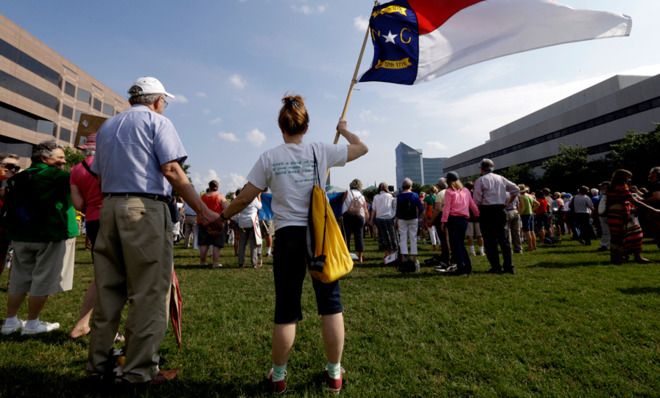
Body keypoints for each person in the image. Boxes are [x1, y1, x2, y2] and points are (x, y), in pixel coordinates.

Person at [218, 95, 367, 394]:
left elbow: (246, 197)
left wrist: (221, 215)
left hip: (287, 236)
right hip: (319, 236)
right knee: (330, 305)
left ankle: (278, 376)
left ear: (281, 126)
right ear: (306, 125)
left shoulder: (269, 157)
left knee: (286, 309)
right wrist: (345, 129)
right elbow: (362, 148)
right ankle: (334, 373)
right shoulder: (319, 150)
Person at [87, 76, 219, 385]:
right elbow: (171, 169)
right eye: (165, 102)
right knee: (149, 293)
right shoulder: (157, 123)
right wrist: (202, 209)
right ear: (157, 101)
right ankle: (138, 371)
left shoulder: (107, 127)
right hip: (144, 209)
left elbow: (97, 174)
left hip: (109, 206)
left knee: (107, 292)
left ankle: (97, 366)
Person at [1, 141, 77, 335]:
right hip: (49, 234)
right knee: (42, 279)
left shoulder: (19, 177)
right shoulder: (59, 177)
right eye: (59, 157)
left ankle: (10, 321)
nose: (64, 160)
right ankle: (32, 323)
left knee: (19, 278)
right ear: (45, 158)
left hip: (20, 234)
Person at [68, 134, 105, 339]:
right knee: (115, 276)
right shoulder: (109, 164)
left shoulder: (75, 170)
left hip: (92, 221)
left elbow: (78, 205)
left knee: (102, 274)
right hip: (112, 218)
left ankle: (83, 323)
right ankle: (107, 327)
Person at [473, 159, 519, 274]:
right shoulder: (501, 178)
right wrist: (507, 202)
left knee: (489, 240)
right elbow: (516, 189)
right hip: (500, 210)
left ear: (482, 169)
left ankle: (495, 266)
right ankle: (508, 266)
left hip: (487, 211)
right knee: (503, 239)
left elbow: (477, 200)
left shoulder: (480, 180)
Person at [606, 169, 658, 264]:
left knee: (616, 236)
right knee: (635, 234)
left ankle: (616, 258)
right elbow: (632, 200)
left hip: (612, 214)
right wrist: (653, 209)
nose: (629, 179)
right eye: (628, 177)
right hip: (621, 213)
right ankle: (637, 257)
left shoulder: (610, 187)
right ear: (622, 177)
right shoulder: (622, 186)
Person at [438, 172, 479, 276]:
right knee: (460, 244)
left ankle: (462, 267)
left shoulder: (449, 192)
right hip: (464, 220)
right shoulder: (466, 191)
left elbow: (447, 208)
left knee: (456, 245)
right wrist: (478, 214)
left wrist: (443, 221)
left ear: (449, 181)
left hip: (453, 220)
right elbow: (472, 204)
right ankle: (467, 266)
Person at [198, 180, 228, 268]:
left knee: (204, 243)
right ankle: (215, 263)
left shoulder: (202, 197)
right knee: (216, 244)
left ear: (209, 186)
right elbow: (227, 208)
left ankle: (202, 262)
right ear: (217, 187)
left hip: (203, 222)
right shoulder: (220, 197)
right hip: (217, 222)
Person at [0, 153, 20, 278]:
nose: (11, 169)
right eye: (7, 165)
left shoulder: (16, 184)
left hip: (5, 226)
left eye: (15, 167)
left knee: (2, 255)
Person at [396, 178, 424, 265]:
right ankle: (414, 257)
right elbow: (421, 208)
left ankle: (404, 258)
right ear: (410, 186)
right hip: (413, 218)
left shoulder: (399, 196)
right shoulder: (415, 195)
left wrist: (397, 219)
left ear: (402, 186)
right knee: (413, 238)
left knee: (403, 238)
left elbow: (397, 210)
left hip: (402, 219)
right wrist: (419, 217)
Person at [234, 189, 262, 268]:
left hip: (242, 223)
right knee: (253, 244)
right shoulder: (253, 198)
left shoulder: (239, 198)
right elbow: (260, 206)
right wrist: (259, 196)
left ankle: (240, 262)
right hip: (251, 222)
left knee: (242, 244)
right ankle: (254, 263)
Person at [341, 178, 368, 263]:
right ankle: (360, 257)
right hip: (359, 216)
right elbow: (365, 208)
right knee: (359, 236)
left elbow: (342, 202)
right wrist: (366, 218)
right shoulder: (362, 195)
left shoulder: (347, 192)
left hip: (348, 215)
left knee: (346, 236)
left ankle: (346, 257)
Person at [370, 182, 398, 261]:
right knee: (392, 236)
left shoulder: (376, 197)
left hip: (379, 218)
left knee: (383, 237)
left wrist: (371, 220)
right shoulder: (391, 196)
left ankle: (386, 254)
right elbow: (395, 206)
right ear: (386, 188)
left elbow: (373, 210)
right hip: (389, 218)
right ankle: (393, 253)